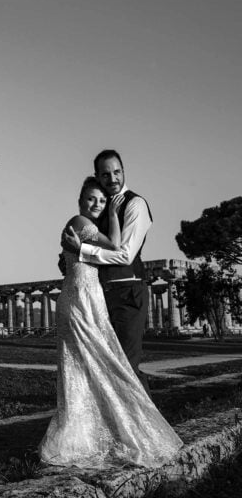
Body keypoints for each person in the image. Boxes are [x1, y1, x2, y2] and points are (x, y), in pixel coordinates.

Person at [39, 176, 182, 468]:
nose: (96, 204)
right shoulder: (80, 222)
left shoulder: (87, 229)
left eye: (102, 201)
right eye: (91, 198)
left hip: (88, 295)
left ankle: (98, 431)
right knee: (95, 363)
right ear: (80, 200)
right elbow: (117, 248)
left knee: (90, 365)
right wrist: (115, 213)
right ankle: (103, 431)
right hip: (80, 297)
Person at [63, 150, 152, 394]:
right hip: (100, 296)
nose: (112, 178)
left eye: (117, 172)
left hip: (127, 290)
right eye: (105, 174)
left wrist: (81, 251)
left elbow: (124, 254)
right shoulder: (100, 209)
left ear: (123, 171)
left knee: (127, 368)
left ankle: (148, 429)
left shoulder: (135, 204)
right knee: (107, 367)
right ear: (98, 176)